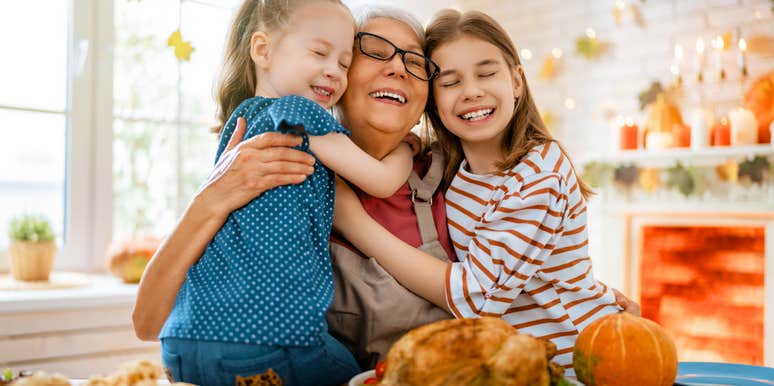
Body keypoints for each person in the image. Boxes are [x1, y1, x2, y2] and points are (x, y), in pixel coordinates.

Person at [144, 0, 425, 384]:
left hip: (182, 340)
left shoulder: (240, 124)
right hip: (270, 341)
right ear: (262, 50)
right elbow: (381, 180)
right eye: (319, 53)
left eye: (344, 63)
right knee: (362, 374)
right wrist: (409, 146)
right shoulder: (300, 114)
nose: (333, 72)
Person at [332, 9, 623, 375]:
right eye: (450, 82)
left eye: (486, 73)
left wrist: (352, 222)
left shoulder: (539, 173)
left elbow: (476, 297)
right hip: (503, 365)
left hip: (571, 365)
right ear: (433, 101)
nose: (472, 92)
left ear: (517, 81)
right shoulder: (448, 164)